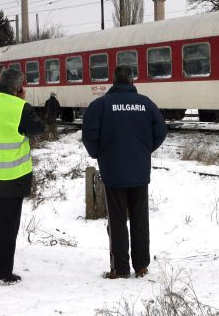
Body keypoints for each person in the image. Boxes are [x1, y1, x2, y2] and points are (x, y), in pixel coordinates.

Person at [82, 66, 168, 279]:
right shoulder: (146, 104)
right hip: (139, 171)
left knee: (117, 220)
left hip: (113, 172)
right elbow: (161, 132)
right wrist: (144, 150)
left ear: (113, 80)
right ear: (132, 80)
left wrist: (98, 153)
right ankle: (141, 266)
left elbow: (89, 135)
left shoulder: (100, 105)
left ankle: (120, 269)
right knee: (140, 218)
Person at [0, 69, 44, 284]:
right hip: (13, 176)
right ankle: (2, 272)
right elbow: (37, 129)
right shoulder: (20, 107)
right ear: (18, 87)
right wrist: (22, 101)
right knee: (8, 224)